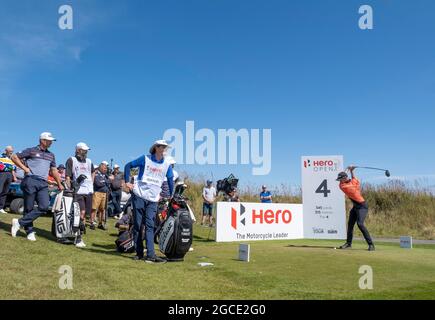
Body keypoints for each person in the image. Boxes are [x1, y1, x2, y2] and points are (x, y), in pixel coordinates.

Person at [124, 139, 174, 263]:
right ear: (156, 148)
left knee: (150, 225)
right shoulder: (145, 159)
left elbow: (170, 179)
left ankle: (151, 254)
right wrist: (127, 182)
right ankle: (139, 253)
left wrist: (171, 194)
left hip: (153, 199)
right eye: (161, 147)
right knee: (137, 225)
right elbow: (127, 166)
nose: (163, 149)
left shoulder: (167, 164)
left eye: (165, 147)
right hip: (139, 195)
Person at [11, 132, 64, 241]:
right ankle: (29, 231)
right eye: (49, 141)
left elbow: (53, 170)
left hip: (43, 183)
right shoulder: (31, 150)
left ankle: (19, 222)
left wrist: (59, 183)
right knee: (29, 208)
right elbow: (14, 156)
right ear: (42, 140)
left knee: (44, 206)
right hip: (30, 180)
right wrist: (25, 168)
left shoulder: (51, 155)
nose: (51, 143)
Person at [336, 166, 375, 251]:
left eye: (340, 179)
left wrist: (349, 170)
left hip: (362, 206)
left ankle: (371, 244)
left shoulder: (348, 186)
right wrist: (351, 170)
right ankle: (348, 244)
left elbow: (352, 182)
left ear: (345, 178)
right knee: (350, 225)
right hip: (356, 206)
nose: (339, 181)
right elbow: (353, 179)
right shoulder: (343, 186)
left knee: (360, 224)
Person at [65, 142, 95, 247]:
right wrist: (69, 188)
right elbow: (68, 176)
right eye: (83, 150)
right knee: (80, 213)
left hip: (89, 191)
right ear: (78, 150)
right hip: (78, 191)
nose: (85, 152)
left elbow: (92, 172)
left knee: (85, 215)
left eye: (86, 150)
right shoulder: (71, 160)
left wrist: (91, 182)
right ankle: (78, 238)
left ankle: (76, 234)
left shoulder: (89, 161)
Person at [91, 161, 110, 230]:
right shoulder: (96, 174)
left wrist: (104, 181)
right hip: (97, 193)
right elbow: (98, 184)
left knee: (102, 209)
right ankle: (92, 222)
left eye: (106, 168)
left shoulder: (106, 176)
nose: (106, 170)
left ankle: (100, 223)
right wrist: (105, 181)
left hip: (105, 194)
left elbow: (108, 182)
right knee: (94, 208)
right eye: (104, 168)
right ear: (100, 167)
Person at [0, 146, 17, 214]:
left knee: (5, 191)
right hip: (2, 174)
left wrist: (14, 177)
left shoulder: (12, 159)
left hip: (9, 175)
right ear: (6, 150)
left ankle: (1, 207)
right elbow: (1, 167)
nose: (11, 152)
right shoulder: (1, 157)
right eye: (10, 150)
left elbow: (13, 169)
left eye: (12, 151)